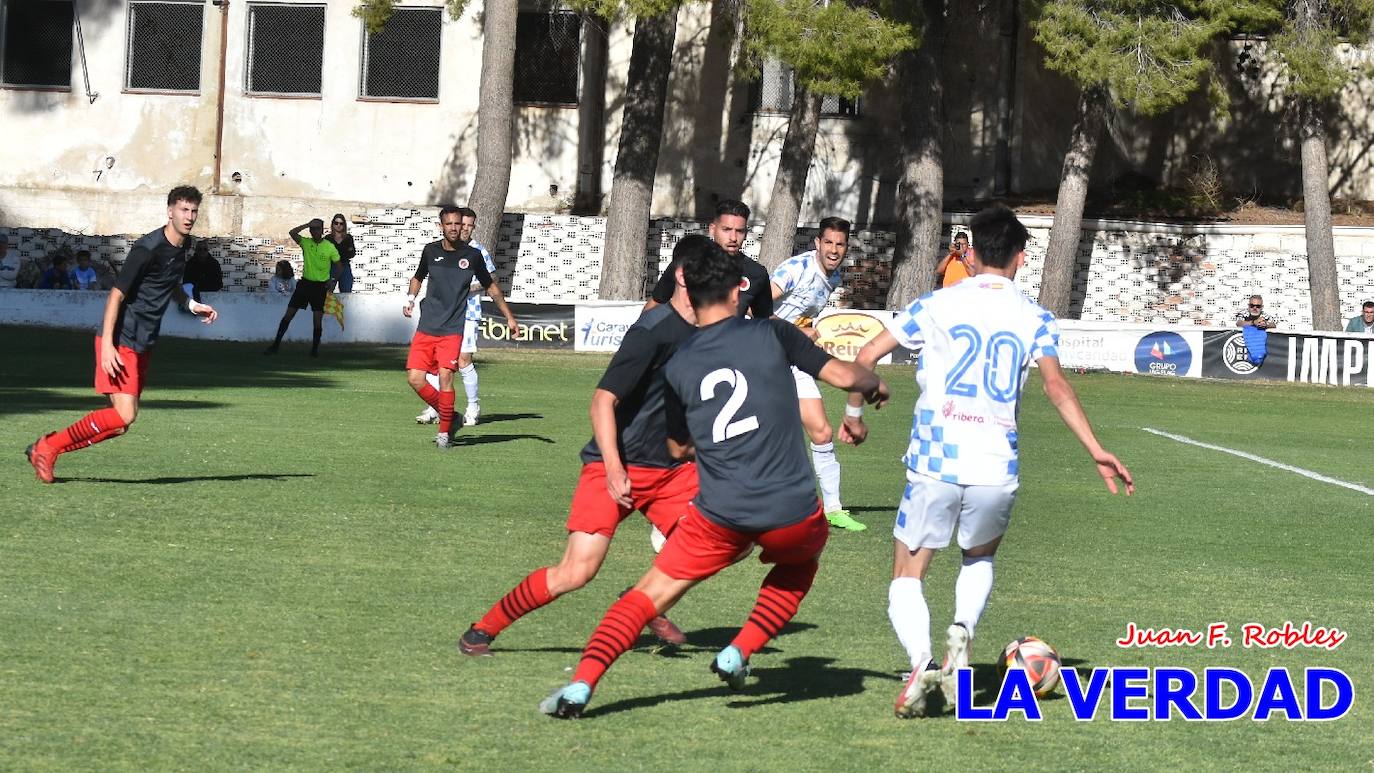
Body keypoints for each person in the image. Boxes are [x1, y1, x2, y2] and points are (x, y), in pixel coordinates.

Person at [540, 238, 890, 719]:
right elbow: (846, 378)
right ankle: (739, 650)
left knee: (644, 598)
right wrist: (874, 384)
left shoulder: (680, 366)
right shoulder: (773, 333)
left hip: (719, 512)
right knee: (799, 564)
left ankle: (580, 687)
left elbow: (678, 448)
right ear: (735, 291)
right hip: (790, 506)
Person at [841, 204, 1133, 719]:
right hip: (997, 463)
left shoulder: (935, 303)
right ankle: (964, 632)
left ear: (970, 254)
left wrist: (854, 415)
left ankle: (922, 664)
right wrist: (1095, 449)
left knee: (907, 575)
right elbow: (1057, 386)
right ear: (1021, 258)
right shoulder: (1036, 318)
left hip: (936, 458)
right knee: (978, 559)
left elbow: (864, 357)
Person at [458, 236, 721, 660]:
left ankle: (644, 599)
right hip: (613, 464)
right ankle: (482, 630)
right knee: (575, 573)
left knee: (724, 540)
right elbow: (602, 401)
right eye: (711, 276)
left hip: (671, 469)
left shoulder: (710, 332)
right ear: (683, 276)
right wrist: (616, 470)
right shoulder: (650, 333)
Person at [25, 186, 218, 484]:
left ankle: (46, 448)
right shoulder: (147, 249)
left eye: (193, 211)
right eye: (183, 210)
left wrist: (192, 304)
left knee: (119, 424)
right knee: (123, 416)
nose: (189, 216)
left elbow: (170, 284)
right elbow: (115, 295)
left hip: (143, 342)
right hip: (121, 339)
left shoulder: (183, 245)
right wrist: (107, 348)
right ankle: (48, 447)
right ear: (170, 211)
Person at [769, 216, 866, 532]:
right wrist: (792, 332)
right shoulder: (796, 269)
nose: (834, 249)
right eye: (829, 243)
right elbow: (753, 305)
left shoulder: (834, 276)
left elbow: (801, 318)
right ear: (817, 243)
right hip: (764, 356)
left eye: (840, 244)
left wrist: (805, 330)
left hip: (793, 358)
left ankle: (833, 509)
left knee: (822, 432)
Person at [404, 206, 519, 448]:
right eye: (450, 224)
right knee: (415, 379)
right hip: (427, 327)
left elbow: (492, 287)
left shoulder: (473, 256)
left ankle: (445, 434)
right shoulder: (430, 250)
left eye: (458, 224)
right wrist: (411, 299)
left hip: (452, 329)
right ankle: (450, 416)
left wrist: (509, 316)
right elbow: (418, 276)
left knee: (446, 377)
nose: (455, 228)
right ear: (441, 226)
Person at [416, 214, 497, 427]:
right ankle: (436, 407)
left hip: (469, 313)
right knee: (436, 361)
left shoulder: (478, 252)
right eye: (464, 225)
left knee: (463, 360)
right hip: (443, 315)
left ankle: (472, 407)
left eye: (470, 226)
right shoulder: (443, 250)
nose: (466, 229)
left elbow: (491, 280)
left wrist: (463, 287)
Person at [643, 199, 773, 319]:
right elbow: (655, 304)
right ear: (712, 229)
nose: (733, 238)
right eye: (726, 229)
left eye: (739, 231)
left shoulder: (756, 273)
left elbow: (765, 320)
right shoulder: (688, 262)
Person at [263, 218, 340, 357]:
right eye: (312, 229)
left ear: (322, 230)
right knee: (289, 314)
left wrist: (333, 280)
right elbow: (292, 232)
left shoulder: (329, 246)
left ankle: (314, 350)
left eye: (317, 228)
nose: (314, 231)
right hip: (305, 284)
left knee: (317, 320)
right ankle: (275, 345)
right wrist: (306, 225)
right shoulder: (306, 242)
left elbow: (339, 265)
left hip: (320, 287)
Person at [327, 214, 357, 293]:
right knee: (327, 292)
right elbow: (326, 254)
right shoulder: (328, 238)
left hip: (344, 266)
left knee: (346, 292)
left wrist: (337, 255)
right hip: (331, 267)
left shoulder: (348, 238)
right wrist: (345, 252)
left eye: (341, 223)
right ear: (332, 224)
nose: (338, 225)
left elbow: (352, 253)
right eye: (336, 223)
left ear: (344, 225)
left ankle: (346, 306)